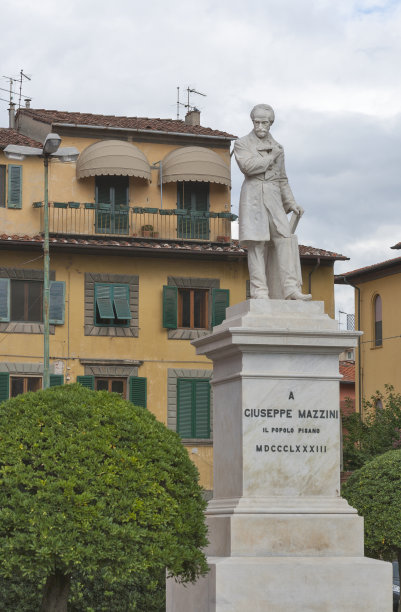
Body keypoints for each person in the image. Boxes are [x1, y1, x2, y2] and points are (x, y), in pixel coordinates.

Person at [234, 104, 311, 301]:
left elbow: (282, 178)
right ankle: (260, 292)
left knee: (284, 239)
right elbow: (248, 167)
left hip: (274, 197)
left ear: (271, 124)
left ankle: (290, 289)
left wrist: (291, 202)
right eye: (256, 122)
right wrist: (271, 157)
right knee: (257, 244)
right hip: (253, 197)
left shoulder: (277, 147)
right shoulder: (242, 144)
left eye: (264, 122)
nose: (260, 126)